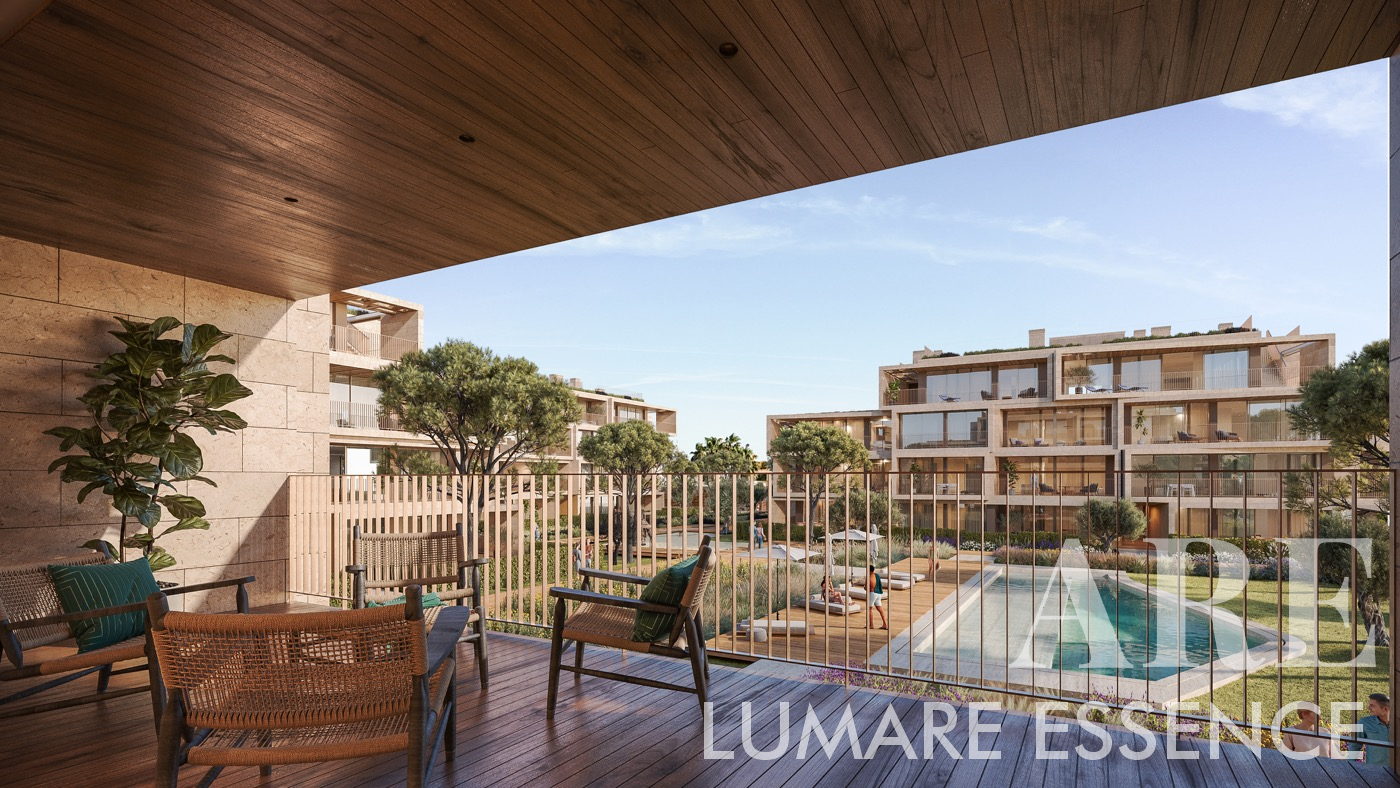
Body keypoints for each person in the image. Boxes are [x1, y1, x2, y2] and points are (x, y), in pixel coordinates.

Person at [1359, 693, 1391, 766]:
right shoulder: (1364, 722)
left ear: (1385, 709)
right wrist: (1351, 766)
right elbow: (1354, 746)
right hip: (1374, 770)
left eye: (1372, 705)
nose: (1368, 708)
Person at [866, 564, 888, 630]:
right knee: (880, 609)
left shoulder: (869, 577)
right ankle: (885, 624)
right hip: (878, 593)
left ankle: (871, 625)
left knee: (869, 609)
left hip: (872, 593)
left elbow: (867, 587)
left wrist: (865, 587)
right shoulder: (877, 575)